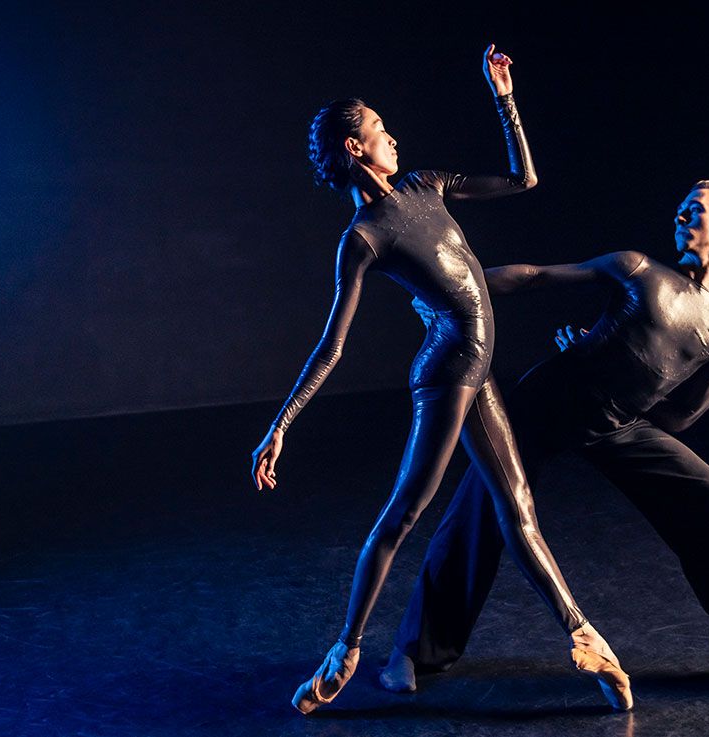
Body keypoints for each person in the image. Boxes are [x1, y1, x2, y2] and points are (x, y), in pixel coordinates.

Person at [250, 45, 633, 715]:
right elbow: (331, 346)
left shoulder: (426, 183)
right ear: (354, 146)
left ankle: (585, 636)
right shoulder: (365, 235)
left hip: (476, 370)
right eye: (380, 128)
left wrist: (503, 97)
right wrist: (279, 426)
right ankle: (345, 649)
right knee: (403, 514)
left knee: (519, 510)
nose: (393, 134)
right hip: (447, 373)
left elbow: (524, 180)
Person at [380, 180, 709, 700]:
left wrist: (634, 389)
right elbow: (537, 276)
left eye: (693, 211)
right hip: (549, 401)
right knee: (480, 512)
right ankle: (412, 652)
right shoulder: (638, 269)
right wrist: (453, 292)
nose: (679, 219)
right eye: (678, 210)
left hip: (619, 424)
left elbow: (679, 418)